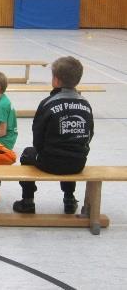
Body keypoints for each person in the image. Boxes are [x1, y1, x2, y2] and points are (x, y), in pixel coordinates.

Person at [13, 56, 94, 214]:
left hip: (50, 162)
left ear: (56, 80)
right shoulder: (85, 104)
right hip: (78, 163)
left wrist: (45, 152)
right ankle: (69, 199)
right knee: (69, 150)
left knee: (27, 153)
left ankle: (27, 201)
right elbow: (89, 135)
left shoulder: (48, 103)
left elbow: (37, 137)